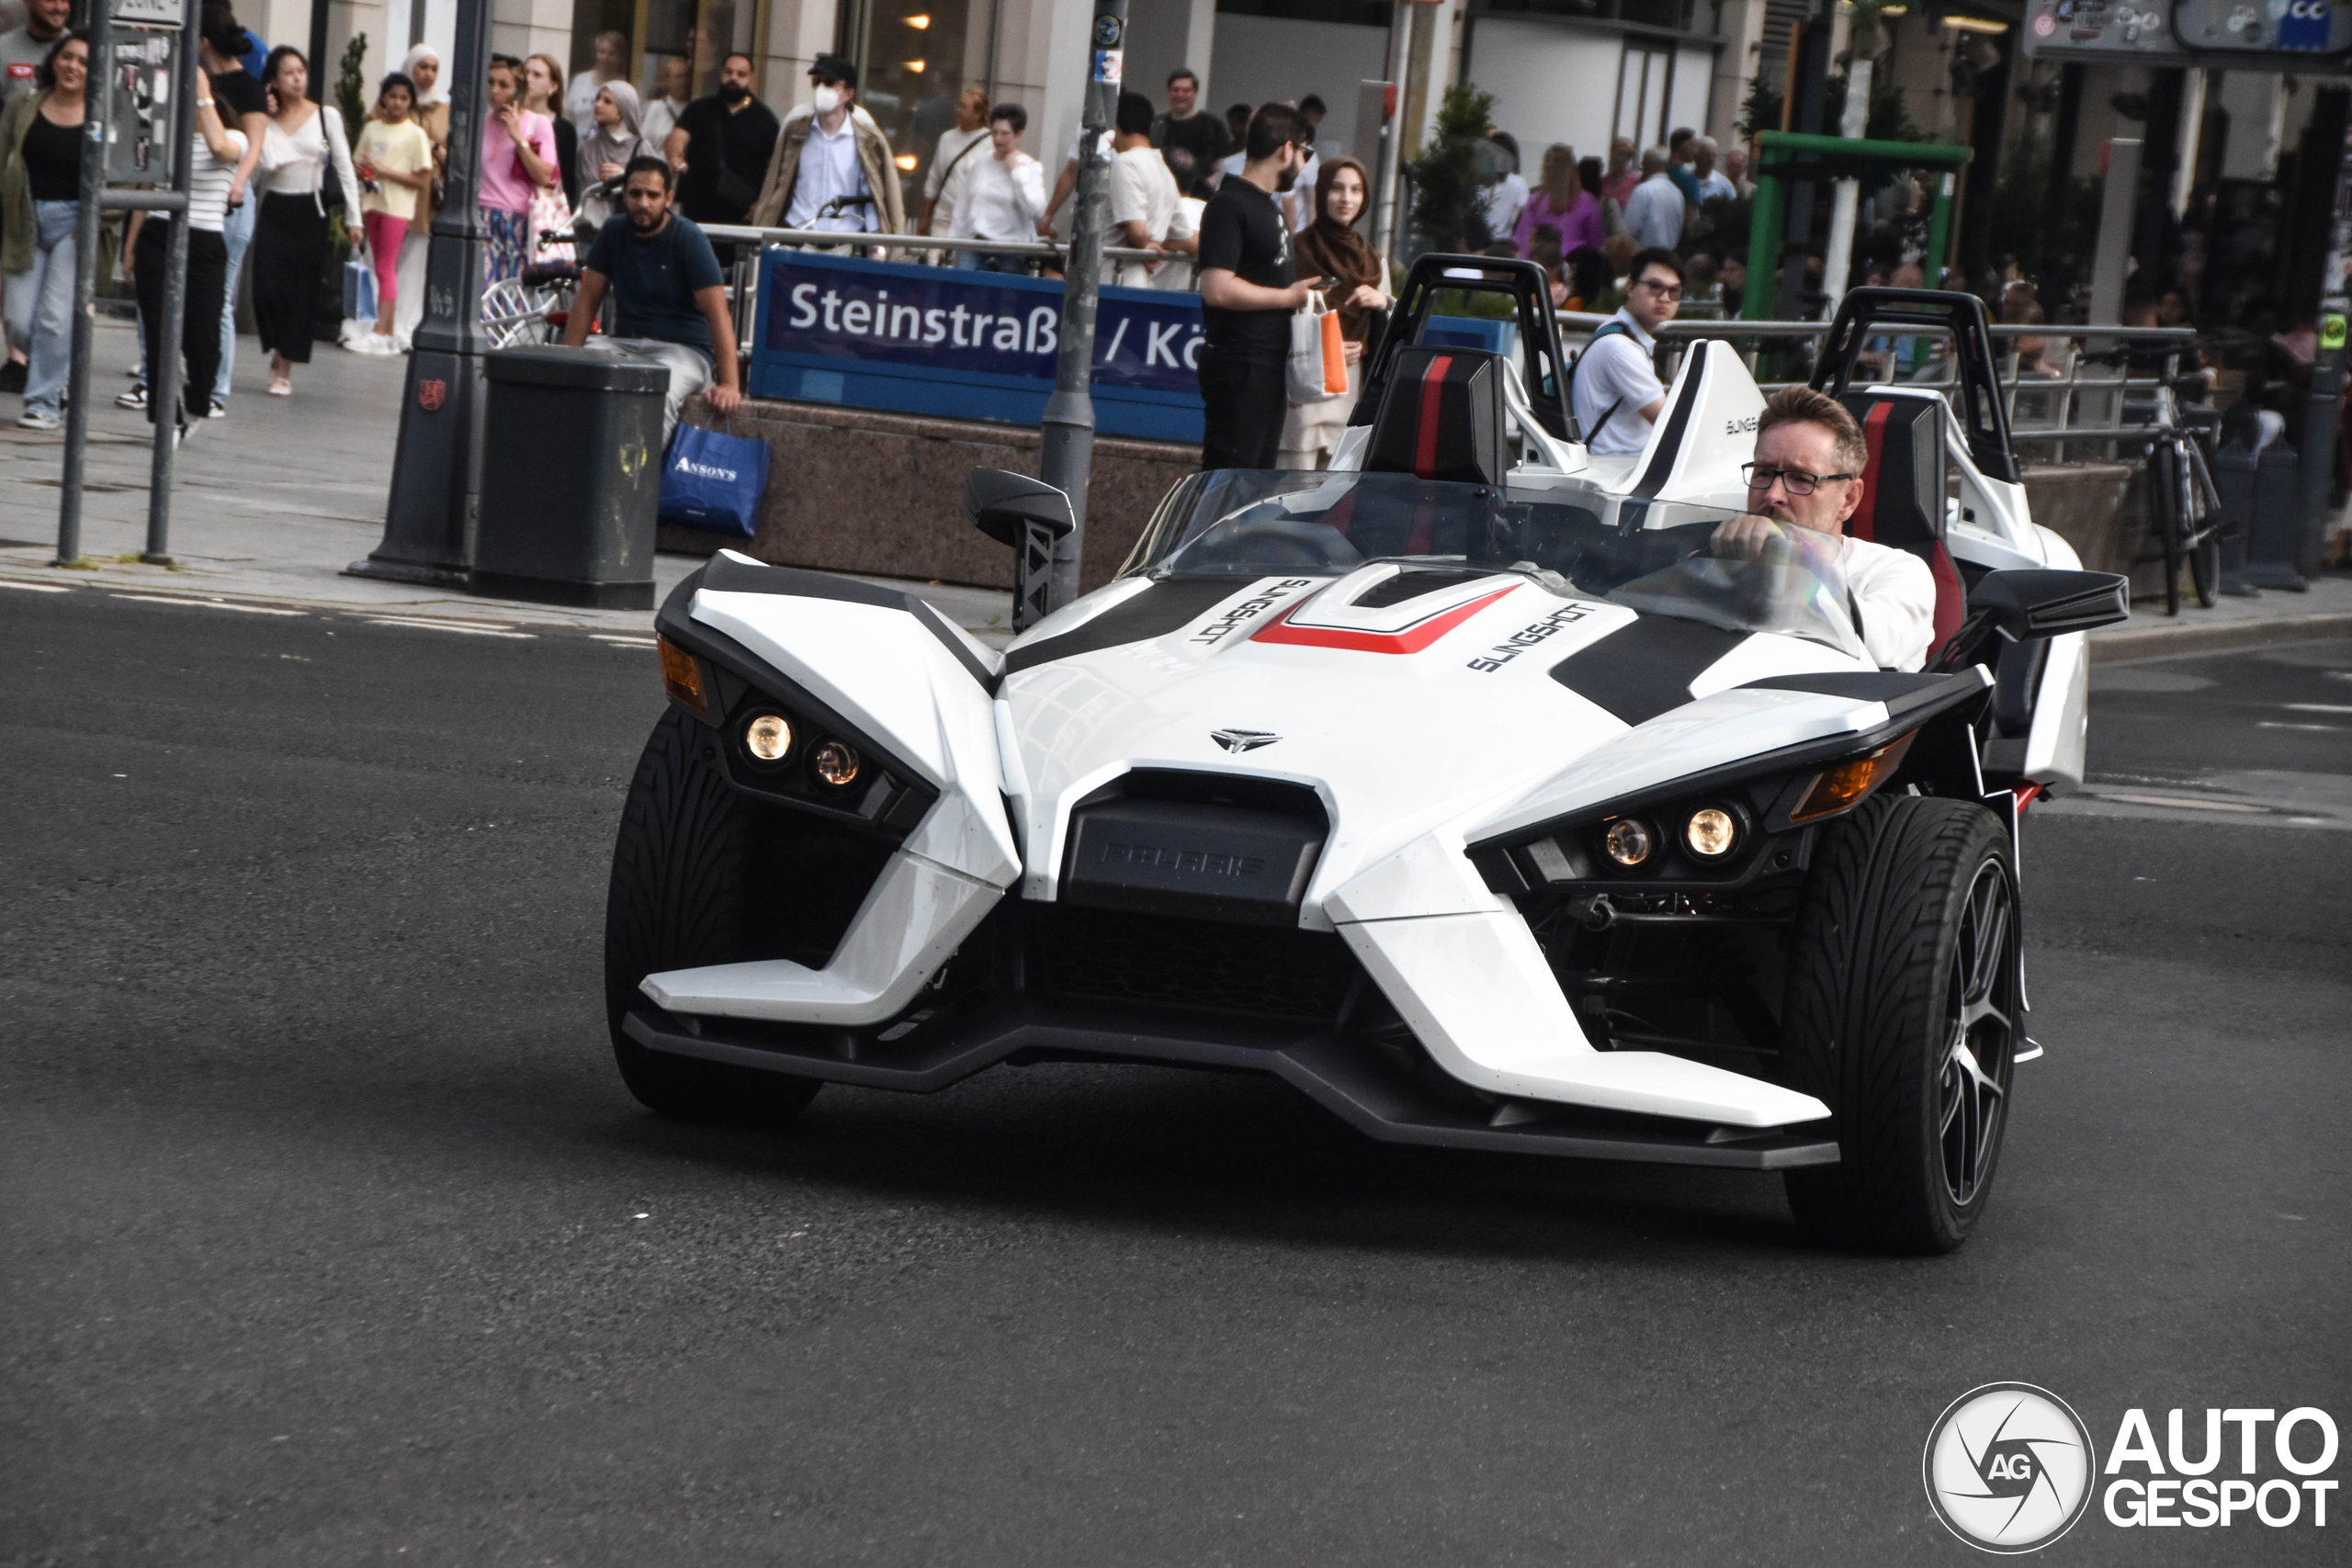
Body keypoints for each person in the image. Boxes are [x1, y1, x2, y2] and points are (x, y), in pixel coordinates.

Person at [1711, 386, 1937, 671]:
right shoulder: (1720, 559)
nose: (1772, 495)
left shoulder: (1896, 570)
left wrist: (1790, 554)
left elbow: (1879, 646)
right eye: (1764, 473)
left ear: (1848, 499)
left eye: (1801, 479)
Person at [563, 155, 741, 442]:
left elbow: (719, 314)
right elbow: (587, 300)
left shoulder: (688, 238)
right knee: (580, 376)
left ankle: (633, 480)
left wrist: (730, 383)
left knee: (658, 393)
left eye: (653, 195)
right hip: (623, 344)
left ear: (668, 198)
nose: (643, 203)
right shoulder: (613, 231)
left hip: (684, 351)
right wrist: (566, 360)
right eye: (635, 193)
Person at [1196, 102, 1317, 471]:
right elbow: (1216, 288)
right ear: (1286, 149)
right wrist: (1288, 296)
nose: (1304, 162)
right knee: (1226, 486)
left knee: (1251, 487)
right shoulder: (1229, 205)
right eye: (1304, 152)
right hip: (1240, 367)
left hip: (1266, 367)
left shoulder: (1269, 207)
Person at [122, 81, 246, 438]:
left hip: (205, 243)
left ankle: (198, 397)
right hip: (158, 235)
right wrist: (131, 247)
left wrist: (203, 92)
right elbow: (146, 189)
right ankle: (165, 417)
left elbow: (221, 148)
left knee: (202, 336)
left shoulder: (237, 139)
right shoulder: (165, 135)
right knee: (159, 332)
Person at [249, 46, 361, 394]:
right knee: (266, 288)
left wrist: (355, 218)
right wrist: (260, 113)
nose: (297, 78)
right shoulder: (262, 119)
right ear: (274, 81)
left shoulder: (325, 115)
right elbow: (260, 168)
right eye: (288, 73)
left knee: (301, 290)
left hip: (311, 211)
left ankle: (285, 364)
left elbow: (344, 166)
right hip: (274, 208)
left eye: (301, 71)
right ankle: (275, 346)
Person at [1280, 155, 1388, 469]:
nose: (1346, 198)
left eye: (1356, 190)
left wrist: (1381, 301)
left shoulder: (1373, 260)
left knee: (1336, 496)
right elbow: (1279, 317)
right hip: (1305, 384)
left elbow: (1396, 322)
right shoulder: (1297, 251)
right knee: (1291, 490)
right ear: (1321, 192)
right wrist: (1325, 348)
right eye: (1337, 188)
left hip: (1350, 389)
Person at [0, 27, 82, 428]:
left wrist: (96, 219)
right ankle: (54, 368)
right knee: (17, 320)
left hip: (75, 225)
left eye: (85, 61)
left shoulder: (103, 113)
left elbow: (118, 178)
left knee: (55, 319)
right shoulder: (25, 105)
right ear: (54, 61)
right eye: (67, 57)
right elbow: (3, 161)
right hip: (26, 218)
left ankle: (43, 402)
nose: (73, 66)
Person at [199, 4, 268, 419]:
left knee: (220, 299)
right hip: (200, 198)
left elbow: (255, 145)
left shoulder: (246, 86)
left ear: (204, 41)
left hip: (231, 202)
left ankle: (217, 389)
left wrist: (238, 183)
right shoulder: (198, 78)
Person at [750, 53, 901, 239]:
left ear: (848, 94)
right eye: (817, 82)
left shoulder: (865, 137)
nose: (821, 88)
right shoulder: (796, 130)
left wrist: (878, 242)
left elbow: (873, 195)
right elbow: (776, 184)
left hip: (844, 244)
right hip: (797, 239)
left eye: (830, 83)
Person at [0, 0, 65, 391]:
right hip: (17, 193)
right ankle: (19, 357)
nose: (59, 6)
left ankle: (49, 377)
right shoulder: (6, 49)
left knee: (58, 306)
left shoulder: (82, 50)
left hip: (68, 200)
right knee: (18, 301)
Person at [1570, 245, 1679, 456]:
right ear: (1630, 288)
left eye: (1674, 291)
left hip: (1620, 465)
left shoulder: (1618, 331)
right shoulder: (1620, 347)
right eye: (1655, 287)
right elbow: (1670, 421)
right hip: (1614, 470)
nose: (1665, 298)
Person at [352, 73, 433, 354]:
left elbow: (422, 179)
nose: (397, 102)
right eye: (392, 96)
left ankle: (383, 331)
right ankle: (382, 329)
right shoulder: (372, 129)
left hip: (397, 207)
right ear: (383, 98)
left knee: (386, 268)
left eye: (403, 97)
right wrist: (365, 173)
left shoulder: (415, 134)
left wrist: (386, 172)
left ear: (410, 102)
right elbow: (357, 165)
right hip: (373, 202)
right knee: (379, 267)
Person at [673, 51, 783, 233]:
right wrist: (677, 159)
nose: (733, 78)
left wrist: (761, 204)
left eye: (741, 74)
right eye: (728, 72)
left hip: (740, 216)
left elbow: (775, 168)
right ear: (721, 74)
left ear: (751, 79)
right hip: (697, 212)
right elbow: (678, 137)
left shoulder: (765, 119)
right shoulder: (699, 109)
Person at [476, 56, 558, 285]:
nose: (495, 91)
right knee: (482, 293)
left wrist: (518, 138)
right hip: (482, 214)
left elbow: (546, 175)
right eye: (491, 83)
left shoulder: (537, 124)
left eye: (504, 85)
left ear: (519, 91)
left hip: (517, 218)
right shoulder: (481, 122)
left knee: (511, 293)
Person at [947, 102, 1043, 271]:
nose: (998, 139)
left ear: (1018, 135)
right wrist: (951, 242)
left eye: (1005, 134)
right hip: (975, 245)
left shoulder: (1029, 167)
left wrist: (1017, 174)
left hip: (1011, 250)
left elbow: (1036, 210)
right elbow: (963, 206)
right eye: (995, 132)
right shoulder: (982, 163)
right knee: (963, 292)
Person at [1108, 90, 1179, 288]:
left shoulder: (1125, 162)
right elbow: (1185, 236)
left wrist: (1146, 245)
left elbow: (1137, 230)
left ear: (1117, 126)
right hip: (1142, 281)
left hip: (1114, 279)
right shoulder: (1164, 170)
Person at [573, 81, 652, 231]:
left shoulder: (641, 147)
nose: (598, 104)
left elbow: (652, 188)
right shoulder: (588, 146)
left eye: (607, 101)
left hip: (627, 230)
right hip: (589, 230)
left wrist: (626, 177)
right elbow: (581, 189)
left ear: (623, 110)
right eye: (598, 99)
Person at [920, 85, 988, 239]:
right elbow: (934, 178)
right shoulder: (947, 138)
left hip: (971, 221)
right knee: (935, 260)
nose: (958, 110)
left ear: (978, 113)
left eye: (964, 107)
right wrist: (925, 217)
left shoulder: (990, 144)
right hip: (944, 216)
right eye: (959, 104)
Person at [1515, 142, 1601, 258]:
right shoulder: (1587, 202)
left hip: (1542, 265)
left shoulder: (1535, 201)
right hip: (1573, 265)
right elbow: (1596, 243)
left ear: (1545, 170)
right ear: (1572, 170)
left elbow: (1522, 242)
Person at [1153, 68, 1226, 190]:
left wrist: (1206, 186)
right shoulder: (1157, 125)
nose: (1180, 95)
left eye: (1186, 90)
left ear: (1195, 93)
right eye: (1175, 90)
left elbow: (1223, 164)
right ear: (1168, 93)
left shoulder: (1213, 125)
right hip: (1161, 192)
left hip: (1198, 196)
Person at [523, 52, 580, 206]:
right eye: (526, 72)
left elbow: (567, 181)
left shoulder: (564, 130)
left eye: (537, 75)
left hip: (544, 208)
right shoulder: (511, 119)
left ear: (553, 86)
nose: (528, 79)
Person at [567, 30, 626, 139]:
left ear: (620, 58)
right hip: (578, 150)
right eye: (602, 52)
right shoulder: (580, 81)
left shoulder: (624, 88)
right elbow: (568, 116)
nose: (605, 57)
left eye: (611, 53)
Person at [1623, 146, 1682, 251]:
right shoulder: (1677, 192)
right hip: (1670, 255)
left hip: (1645, 255)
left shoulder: (1643, 190)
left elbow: (1629, 228)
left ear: (1647, 163)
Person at [639, 54, 690, 157]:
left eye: (686, 76)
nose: (683, 82)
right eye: (678, 77)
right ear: (667, 81)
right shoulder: (656, 108)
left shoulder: (696, 108)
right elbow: (644, 144)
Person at [1483, 131, 1525, 251]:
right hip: (1502, 242)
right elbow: (1523, 211)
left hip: (1482, 242)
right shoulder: (1518, 183)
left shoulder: (1481, 181)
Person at [1691, 136, 1736, 203]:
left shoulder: (1724, 185)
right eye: (1706, 154)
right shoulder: (1686, 180)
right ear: (1696, 156)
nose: (1710, 159)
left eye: (1714, 155)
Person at [1601, 136, 1638, 208]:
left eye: (1621, 154)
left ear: (1629, 158)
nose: (1616, 157)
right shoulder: (1602, 181)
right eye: (1614, 153)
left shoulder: (1635, 183)